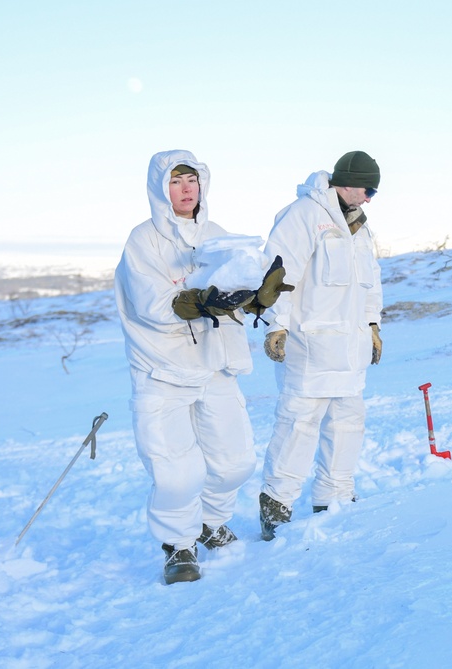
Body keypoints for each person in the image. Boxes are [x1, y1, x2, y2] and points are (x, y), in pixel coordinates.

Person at [115, 150, 278, 584]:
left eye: (192, 180)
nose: (186, 189)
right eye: (175, 181)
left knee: (234, 462)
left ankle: (209, 521)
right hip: (162, 369)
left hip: (215, 363)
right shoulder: (142, 240)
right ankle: (179, 546)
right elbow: (151, 304)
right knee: (176, 471)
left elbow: (234, 288)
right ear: (159, 189)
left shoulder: (219, 234)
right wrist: (197, 300)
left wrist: (257, 295)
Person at [257, 150, 384, 541]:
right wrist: (276, 326)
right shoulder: (303, 216)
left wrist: (373, 325)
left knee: (348, 423)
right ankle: (276, 505)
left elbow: (370, 285)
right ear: (347, 181)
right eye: (368, 189)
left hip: (350, 349)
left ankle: (335, 496)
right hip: (310, 347)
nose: (369, 198)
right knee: (298, 425)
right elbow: (279, 272)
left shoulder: (361, 229)